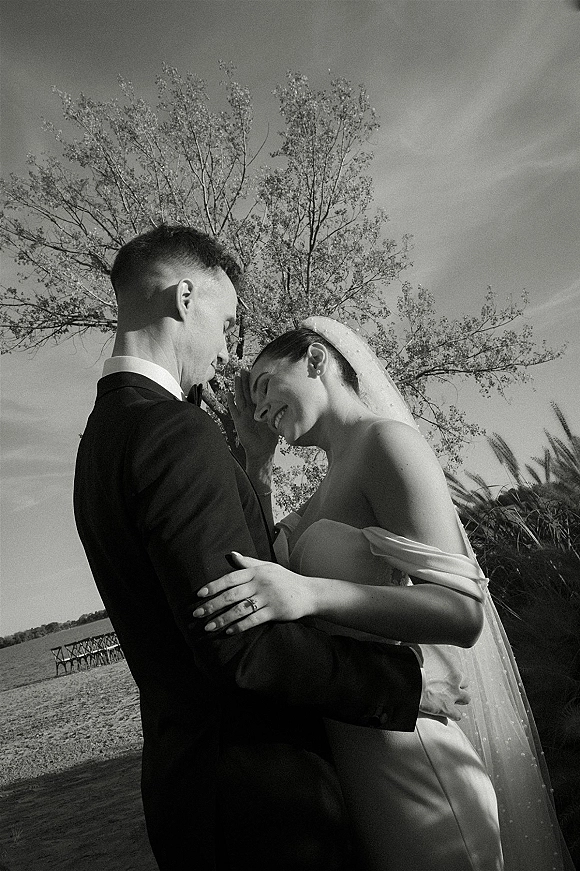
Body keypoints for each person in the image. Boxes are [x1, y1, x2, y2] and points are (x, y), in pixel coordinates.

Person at [73, 227, 429, 871]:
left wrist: (255, 472)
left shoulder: (99, 442)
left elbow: (237, 578)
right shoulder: (173, 433)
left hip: (189, 794)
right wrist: (404, 685)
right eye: (228, 320)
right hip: (260, 810)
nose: (228, 349)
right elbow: (241, 641)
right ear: (185, 298)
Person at [195, 317, 574, 871]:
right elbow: (274, 568)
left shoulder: (386, 443)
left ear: (317, 361)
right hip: (358, 761)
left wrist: (310, 593)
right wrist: (257, 460)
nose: (257, 410)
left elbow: (462, 613)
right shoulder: (326, 484)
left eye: (264, 387)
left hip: (415, 767)